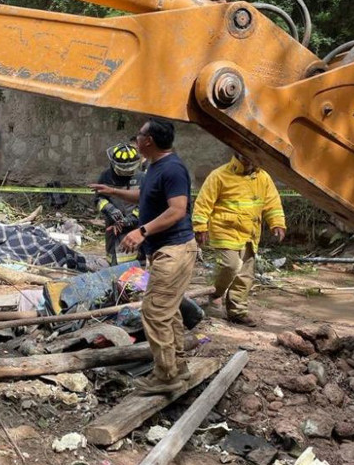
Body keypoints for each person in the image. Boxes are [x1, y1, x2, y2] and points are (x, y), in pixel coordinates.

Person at [91, 119, 197, 394]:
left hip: (173, 250)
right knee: (168, 310)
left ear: (148, 141)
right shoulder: (154, 167)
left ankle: (165, 376)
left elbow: (177, 210)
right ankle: (177, 367)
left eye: (138, 135)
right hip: (164, 251)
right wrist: (113, 192)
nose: (136, 139)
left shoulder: (173, 169)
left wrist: (142, 231)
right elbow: (145, 196)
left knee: (154, 311)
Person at [192, 152, 286, 327]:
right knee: (231, 266)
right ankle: (216, 294)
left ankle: (237, 311)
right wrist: (200, 227)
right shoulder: (219, 175)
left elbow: (272, 203)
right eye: (246, 157)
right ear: (237, 155)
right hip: (225, 230)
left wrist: (277, 223)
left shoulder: (263, 177)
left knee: (245, 275)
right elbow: (203, 203)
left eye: (253, 158)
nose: (249, 161)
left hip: (250, 233)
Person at [93, 142, 144, 265]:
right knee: (113, 262)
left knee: (136, 265)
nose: (126, 173)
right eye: (122, 170)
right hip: (113, 227)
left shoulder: (142, 178)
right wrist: (109, 209)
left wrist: (132, 218)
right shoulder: (106, 177)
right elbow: (98, 199)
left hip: (135, 229)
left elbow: (146, 203)